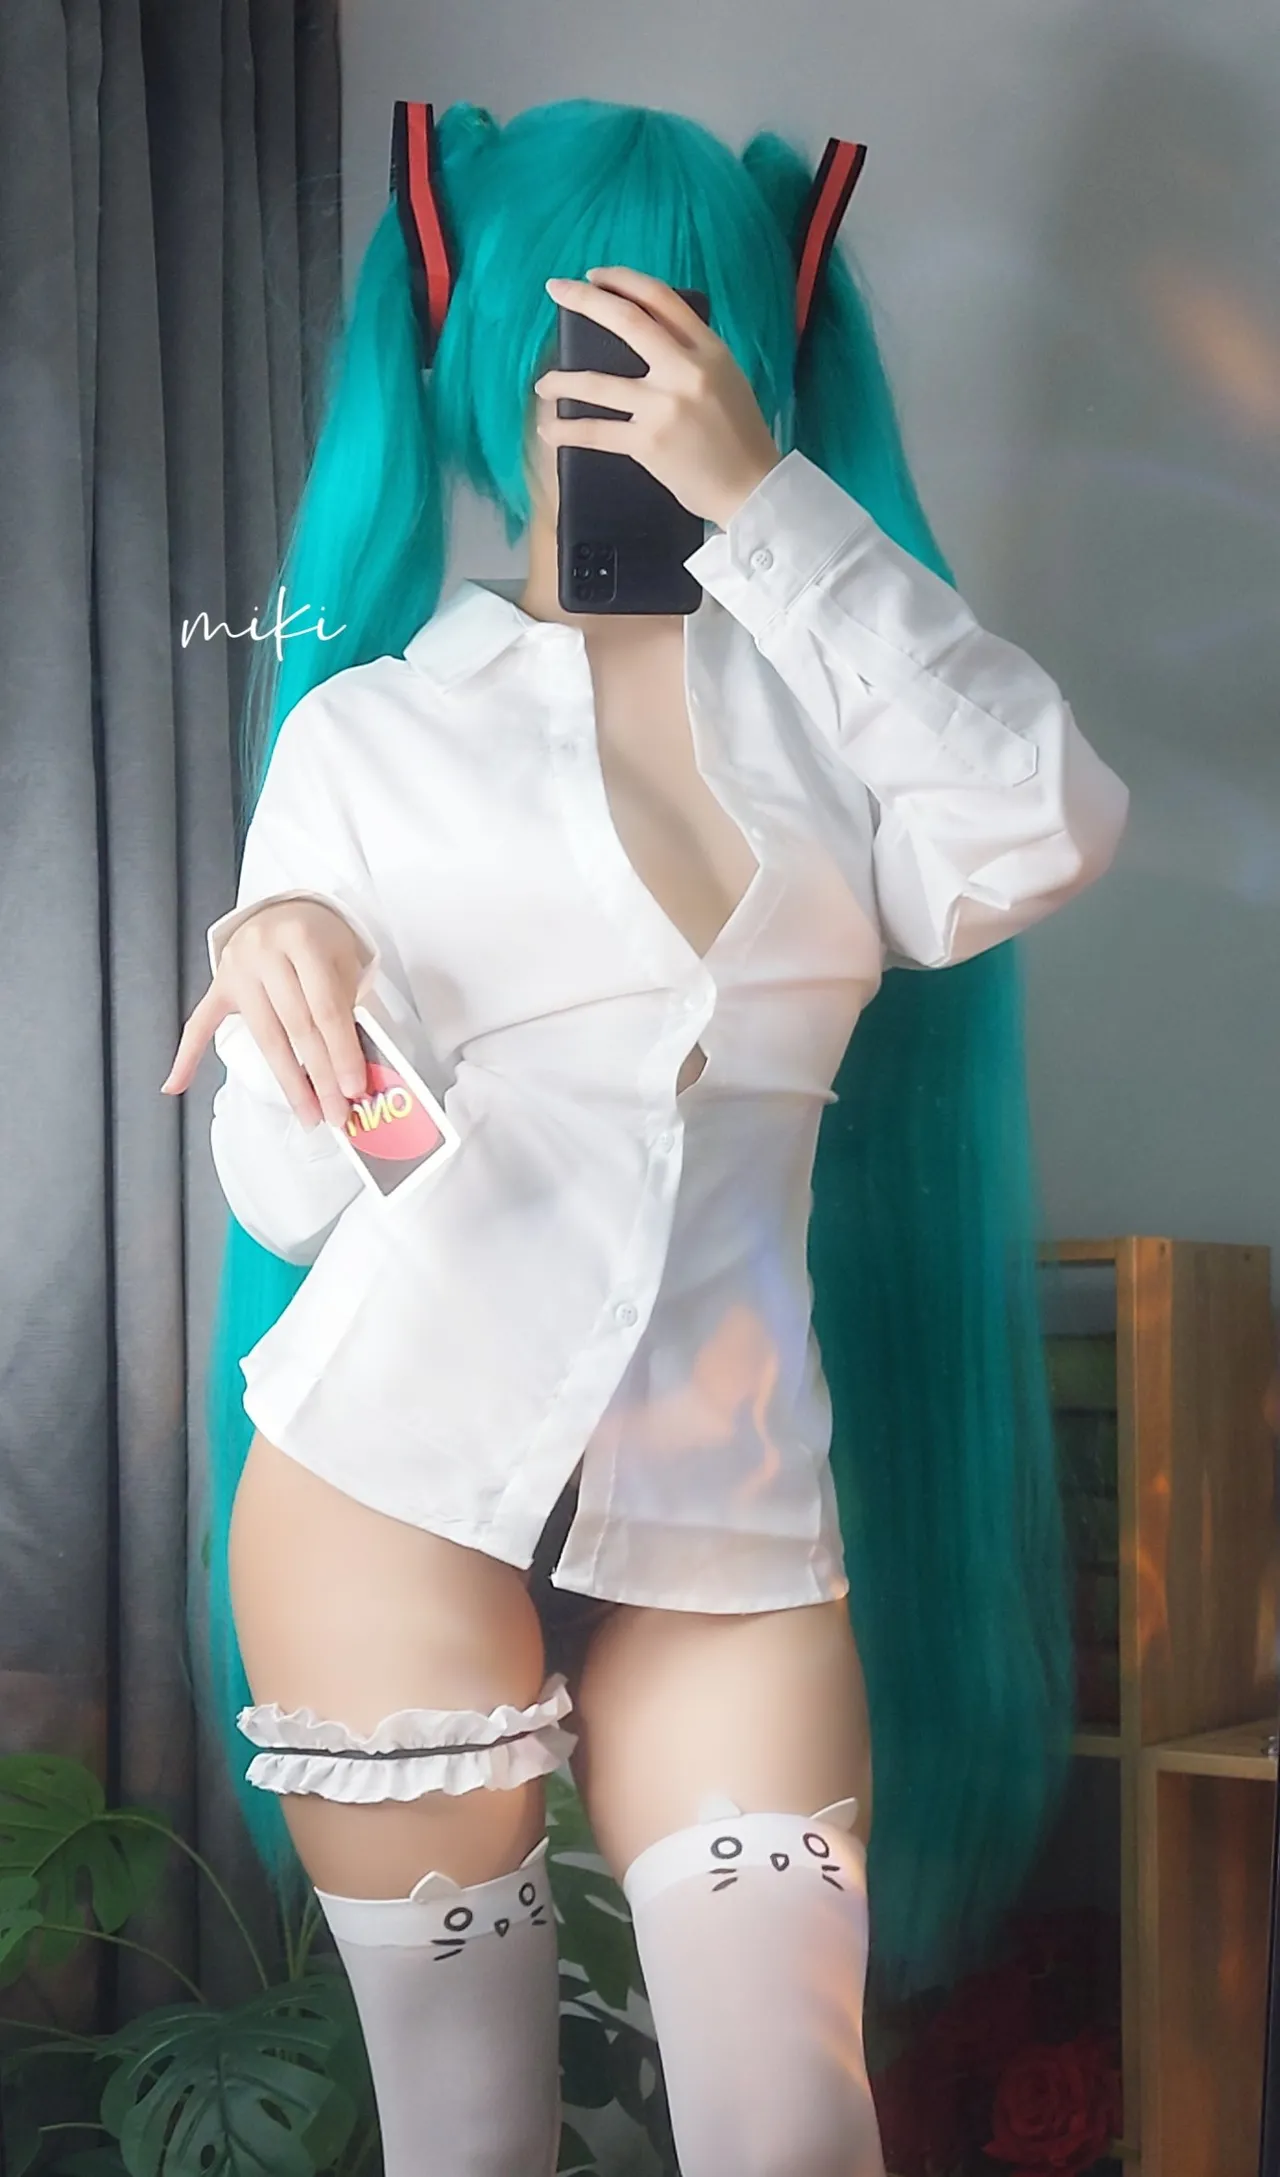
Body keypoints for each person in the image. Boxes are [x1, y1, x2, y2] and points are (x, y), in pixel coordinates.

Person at [163, 97, 1129, 2177]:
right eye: (566, 342)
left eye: (673, 339)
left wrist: (765, 504)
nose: (607, 389)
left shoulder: (834, 724)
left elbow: (1045, 821)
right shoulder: (368, 733)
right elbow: (293, 1198)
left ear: (754, 364)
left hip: (730, 1524)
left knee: (795, 2134)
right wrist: (290, 971)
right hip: (389, 1494)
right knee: (472, 2142)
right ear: (476, 366)